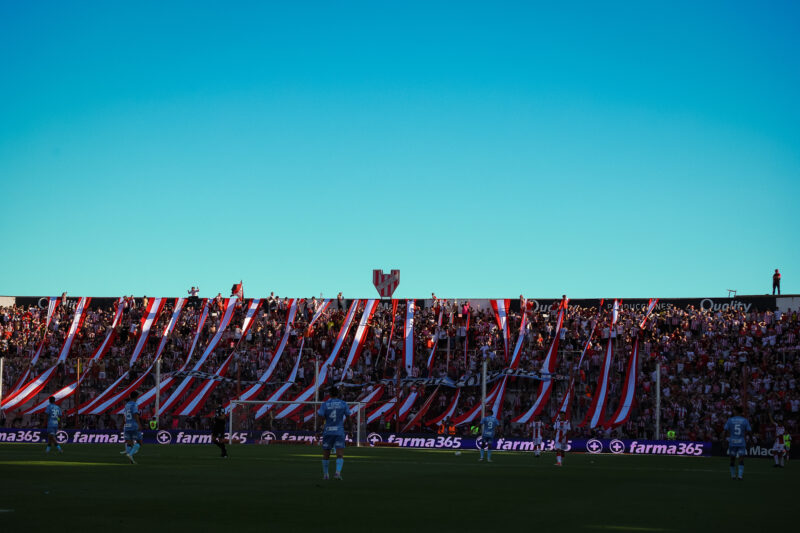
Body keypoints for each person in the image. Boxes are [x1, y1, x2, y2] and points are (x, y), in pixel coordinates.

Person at [317, 386, 351, 480]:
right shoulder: (343, 403)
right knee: (339, 454)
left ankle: (326, 475)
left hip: (328, 431)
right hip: (339, 432)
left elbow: (320, 418)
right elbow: (348, 418)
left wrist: (317, 431)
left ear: (329, 394)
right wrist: (350, 430)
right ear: (338, 394)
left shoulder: (325, 404)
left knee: (326, 454)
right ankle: (337, 473)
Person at [724, 407, 751, 479]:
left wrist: (724, 440)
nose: (733, 411)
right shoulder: (745, 420)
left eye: (734, 410)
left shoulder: (730, 420)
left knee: (732, 459)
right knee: (741, 459)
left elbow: (725, 430)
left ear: (736, 411)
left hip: (732, 442)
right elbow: (749, 431)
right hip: (741, 442)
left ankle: (733, 475)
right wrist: (751, 440)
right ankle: (740, 475)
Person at [122, 391, 142, 464]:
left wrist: (123, 424)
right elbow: (135, 414)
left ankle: (131, 460)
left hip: (127, 426)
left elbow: (124, 416)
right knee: (139, 442)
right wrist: (139, 424)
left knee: (129, 443)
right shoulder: (134, 404)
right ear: (136, 397)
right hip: (133, 425)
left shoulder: (127, 405)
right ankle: (130, 454)